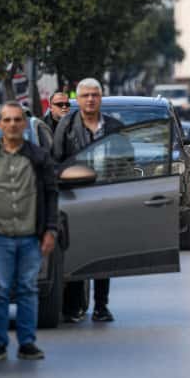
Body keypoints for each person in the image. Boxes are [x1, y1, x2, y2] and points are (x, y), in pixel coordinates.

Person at [0, 102, 58, 361]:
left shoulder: (39, 157)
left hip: (31, 236)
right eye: (7, 120)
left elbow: (51, 194)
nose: (12, 125)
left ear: (25, 124)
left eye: (17, 120)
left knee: (28, 289)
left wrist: (51, 229)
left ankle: (27, 343)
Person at [52, 77, 123, 323]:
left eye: (95, 95)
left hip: (105, 198)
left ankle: (101, 306)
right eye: (85, 95)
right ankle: (73, 307)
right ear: (78, 100)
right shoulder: (66, 126)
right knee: (77, 252)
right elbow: (57, 160)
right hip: (76, 198)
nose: (90, 99)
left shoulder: (114, 127)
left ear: (101, 98)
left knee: (103, 254)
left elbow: (127, 160)